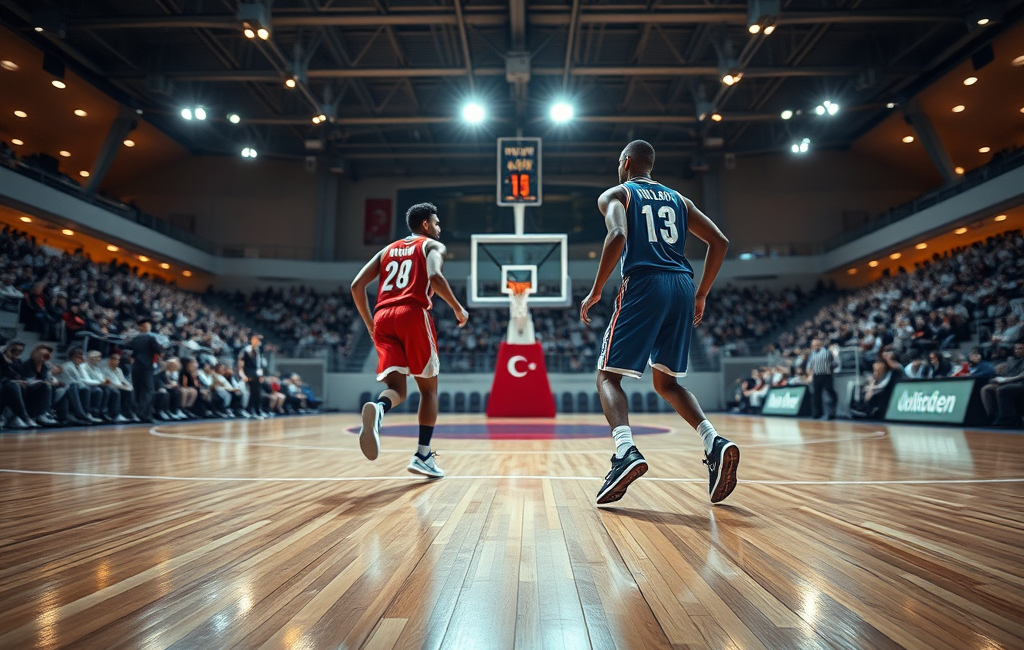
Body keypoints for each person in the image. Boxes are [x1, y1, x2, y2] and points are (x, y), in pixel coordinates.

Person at [579, 139, 736, 506]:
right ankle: (714, 441)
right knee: (667, 382)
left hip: (645, 282)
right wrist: (701, 294)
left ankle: (624, 453)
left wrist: (597, 289)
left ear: (627, 162)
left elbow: (617, 235)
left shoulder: (616, 193)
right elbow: (720, 241)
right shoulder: (680, 200)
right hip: (682, 285)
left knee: (607, 375)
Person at [350, 202, 469, 478]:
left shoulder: (386, 250)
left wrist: (369, 323)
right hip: (412, 313)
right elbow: (435, 276)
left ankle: (379, 409)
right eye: (437, 223)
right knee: (428, 390)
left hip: (382, 317)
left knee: (398, 390)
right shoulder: (431, 246)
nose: (440, 228)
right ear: (426, 225)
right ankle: (423, 455)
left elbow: (357, 285)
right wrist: (456, 307)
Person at [127, 316, 163, 422]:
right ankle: (145, 415)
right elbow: (158, 350)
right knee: (148, 391)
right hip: (147, 367)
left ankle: (137, 414)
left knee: (138, 391)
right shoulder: (150, 338)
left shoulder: (134, 338)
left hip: (136, 367)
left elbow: (127, 347)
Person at [806, 338, 839, 420]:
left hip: (826, 375)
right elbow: (810, 365)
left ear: (820, 344)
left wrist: (829, 371)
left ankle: (832, 412)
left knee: (829, 392)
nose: (813, 346)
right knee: (816, 395)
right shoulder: (812, 354)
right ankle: (817, 413)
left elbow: (834, 363)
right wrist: (810, 375)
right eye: (812, 345)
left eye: (815, 344)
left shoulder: (827, 352)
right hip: (817, 375)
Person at [238, 334, 266, 419]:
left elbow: (259, 365)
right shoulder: (246, 350)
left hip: (256, 374)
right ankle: (250, 411)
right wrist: (242, 375)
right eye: (256, 339)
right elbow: (240, 365)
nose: (257, 342)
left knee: (257, 393)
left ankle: (258, 410)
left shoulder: (258, 351)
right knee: (251, 393)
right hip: (248, 373)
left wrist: (261, 375)